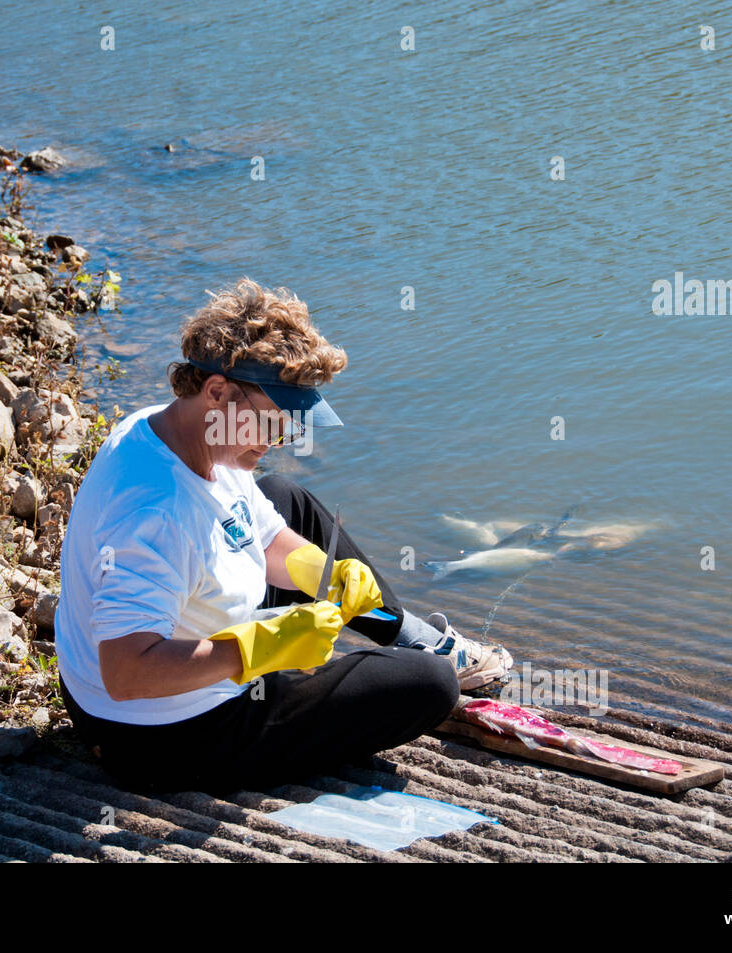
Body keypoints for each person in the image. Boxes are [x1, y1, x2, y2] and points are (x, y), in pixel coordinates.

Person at [53, 277, 513, 793]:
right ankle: (409, 662)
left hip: (162, 664)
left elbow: (267, 536)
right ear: (217, 392)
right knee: (429, 686)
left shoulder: (177, 430)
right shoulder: (155, 512)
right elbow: (126, 672)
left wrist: (328, 573)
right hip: (158, 734)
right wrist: (256, 648)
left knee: (285, 494)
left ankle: (402, 630)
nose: (286, 438)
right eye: (275, 422)